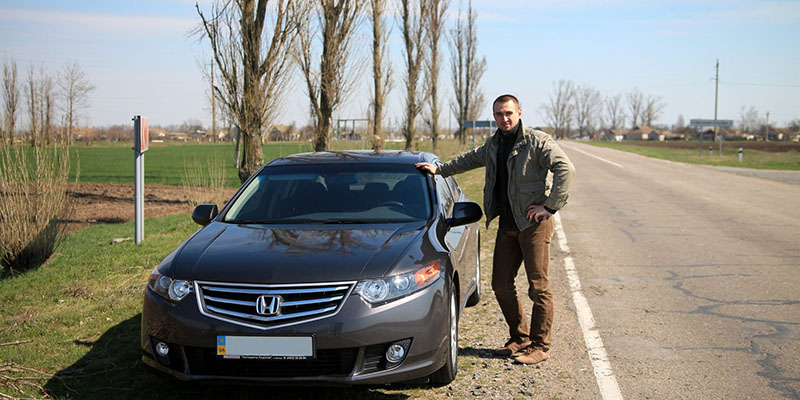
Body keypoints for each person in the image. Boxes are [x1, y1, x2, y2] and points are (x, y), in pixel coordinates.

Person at [415, 94, 575, 364]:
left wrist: (550, 206)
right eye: (499, 114)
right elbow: (467, 160)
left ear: (520, 112)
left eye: (509, 113)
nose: (505, 118)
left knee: (539, 287)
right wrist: (439, 169)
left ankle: (540, 346)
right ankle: (520, 337)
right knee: (500, 284)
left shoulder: (536, 141)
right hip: (507, 225)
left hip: (534, 225)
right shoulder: (493, 145)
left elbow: (565, 168)